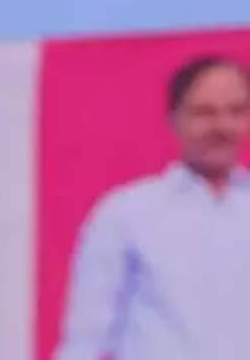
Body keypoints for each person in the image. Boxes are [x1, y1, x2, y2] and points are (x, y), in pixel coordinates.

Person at [55, 55, 250, 360]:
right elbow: (86, 339)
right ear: (174, 119)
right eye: (204, 113)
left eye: (236, 111)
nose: (222, 126)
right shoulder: (128, 214)